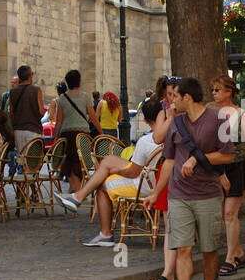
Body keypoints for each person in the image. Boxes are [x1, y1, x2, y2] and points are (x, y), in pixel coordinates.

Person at [143, 77, 233, 280]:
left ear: (187, 98)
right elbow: (170, 162)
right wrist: (155, 193)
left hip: (208, 194)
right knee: (182, 247)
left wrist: (197, 158)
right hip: (178, 194)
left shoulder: (218, 119)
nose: (171, 101)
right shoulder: (175, 124)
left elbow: (227, 156)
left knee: (209, 249)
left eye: (175, 96)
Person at [61, 98, 169, 246]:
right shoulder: (172, 134)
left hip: (147, 185)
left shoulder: (146, 141)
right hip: (160, 181)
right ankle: (78, 196)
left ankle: (105, 233)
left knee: (103, 184)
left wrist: (116, 172)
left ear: (145, 120)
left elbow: (133, 173)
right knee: (109, 161)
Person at [210, 77, 245, 273]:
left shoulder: (242, 114)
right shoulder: (210, 112)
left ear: (229, 92)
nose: (214, 93)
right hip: (217, 167)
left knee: (230, 213)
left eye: (218, 90)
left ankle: (230, 258)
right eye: (212, 89)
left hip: (238, 165)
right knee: (220, 213)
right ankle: (237, 252)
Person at [52, 68, 100, 194]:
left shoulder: (62, 98)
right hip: (83, 133)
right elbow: (93, 117)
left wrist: (55, 137)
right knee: (81, 161)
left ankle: (75, 187)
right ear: (79, 82)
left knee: (70, 160)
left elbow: (59, 121)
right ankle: (78, 189)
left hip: (67, 134)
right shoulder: (85, 96)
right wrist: (101, 131)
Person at [9, 66, 45, 153]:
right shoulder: (36, 90)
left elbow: (11, 112)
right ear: (30, 76)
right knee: (33, 162)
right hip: (33, 129)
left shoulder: (13, 91)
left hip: (18, 130)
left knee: (22, 159)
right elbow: (41, 111)